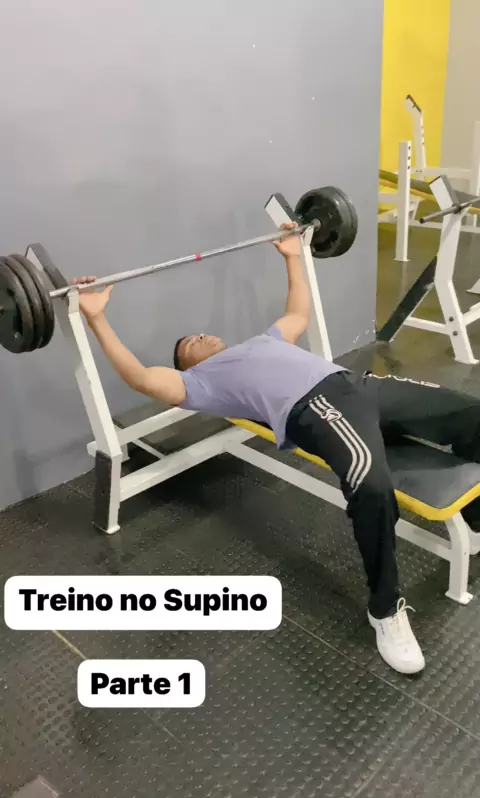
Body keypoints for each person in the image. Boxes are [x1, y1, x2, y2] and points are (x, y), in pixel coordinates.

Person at [76, 225, 480, 676]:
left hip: (358, 384)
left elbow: (298, 313)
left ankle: (478, 519)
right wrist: (96, 319)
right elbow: (140, 377)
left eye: (200, 334)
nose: (200, 337)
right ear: (186, 366)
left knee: (470, 412)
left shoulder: (263, 341)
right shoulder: (198, 384)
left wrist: (292, 254)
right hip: (317, 407)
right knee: (369, 483)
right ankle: (385, 610)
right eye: (189, 344)